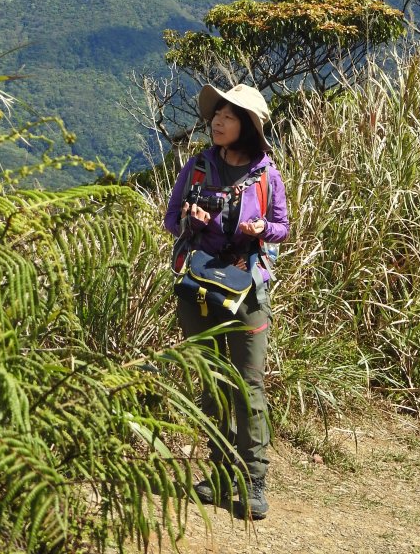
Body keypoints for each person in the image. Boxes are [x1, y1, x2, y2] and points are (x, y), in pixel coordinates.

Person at [165, 83, 289, 520]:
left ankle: (254, 481)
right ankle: (217, 475)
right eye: (216, 113)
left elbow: (282, 227)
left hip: (248, 288)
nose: (217, 121)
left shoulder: (266, 175)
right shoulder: (197, 166)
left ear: (248, 127)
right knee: (211, 382)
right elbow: (170, 216)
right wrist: (188, 219)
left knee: (248, 385)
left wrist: (260, 231)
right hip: (199, 284)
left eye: (229, 116)